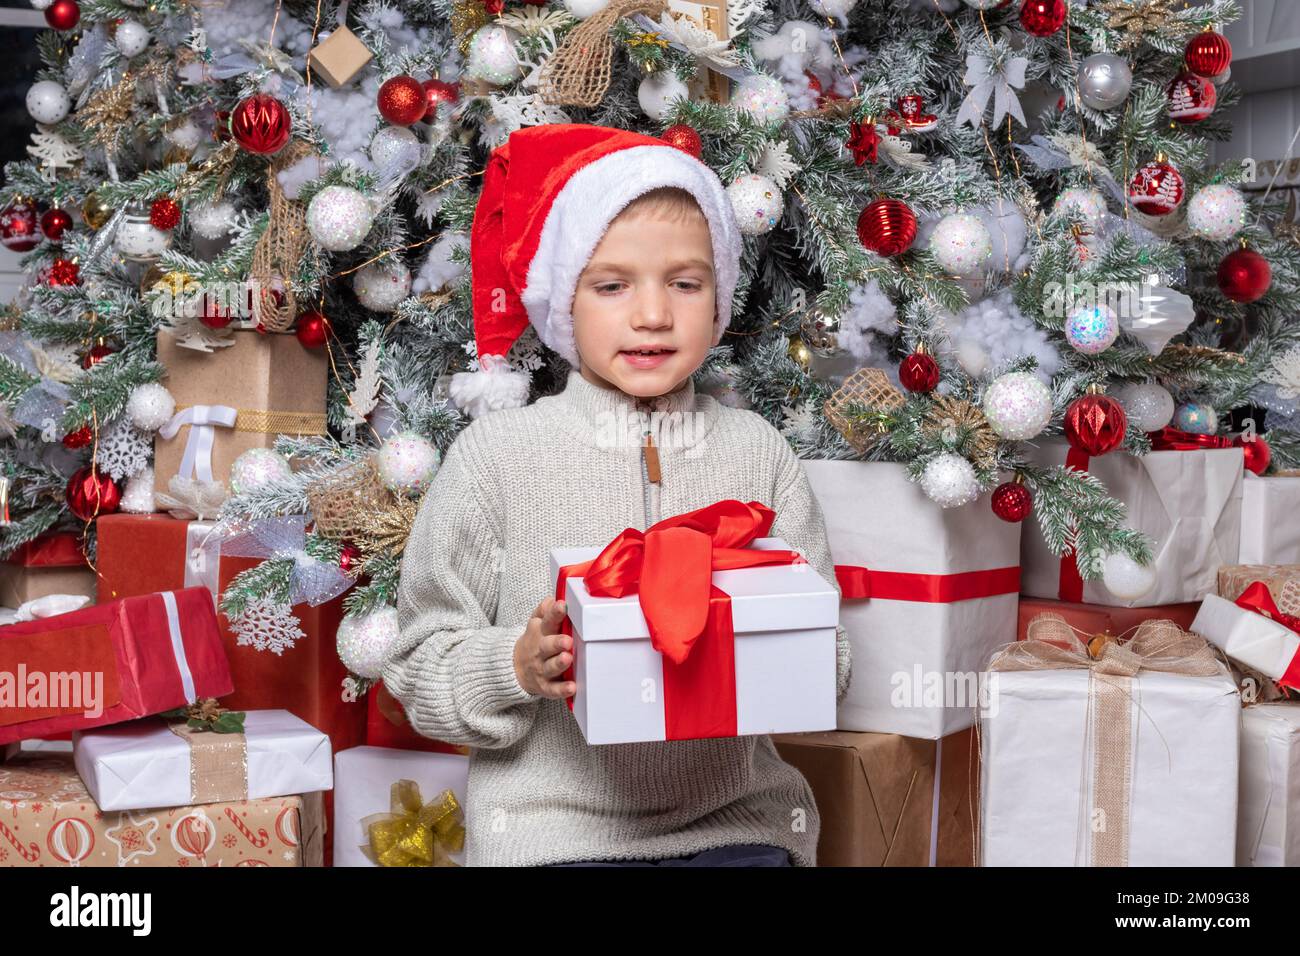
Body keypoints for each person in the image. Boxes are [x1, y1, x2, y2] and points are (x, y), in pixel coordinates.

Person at [383, 123, 851, 867]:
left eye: (685, 283)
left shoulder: (758, 453)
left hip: (734, 822)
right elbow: (416, 664)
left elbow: (830, 662)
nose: (653, 315)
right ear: (565, 298)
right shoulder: (499, 458)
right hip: (550, 834)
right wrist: (515, 665)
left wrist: (770, 638)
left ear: (719, 297)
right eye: (612, 284)